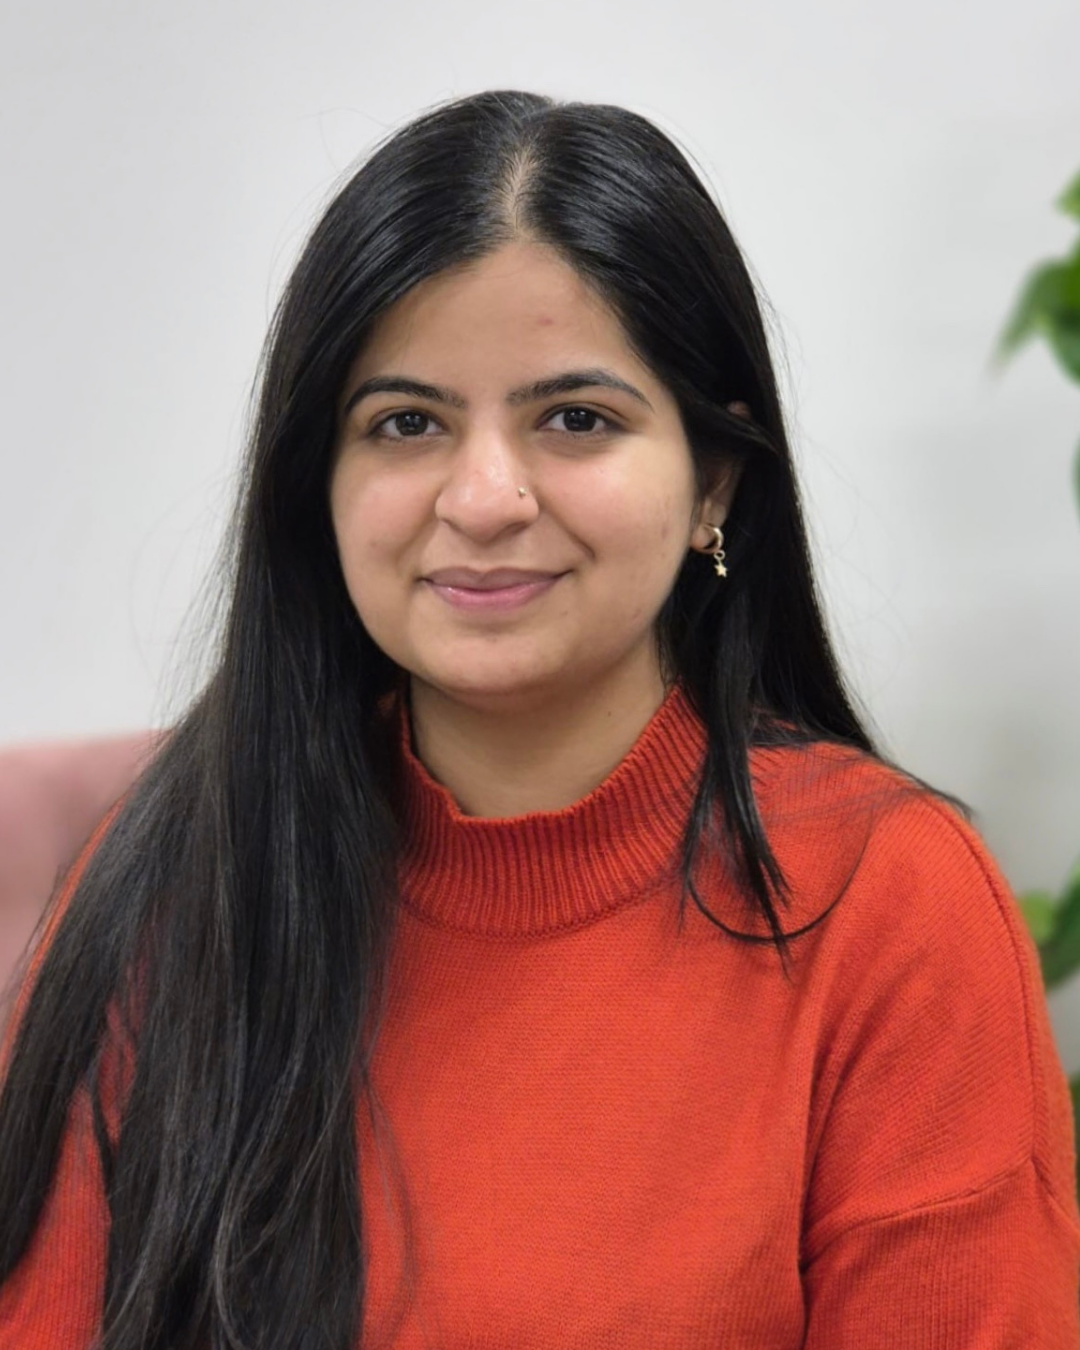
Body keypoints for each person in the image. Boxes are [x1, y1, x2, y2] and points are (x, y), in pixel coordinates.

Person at [0, 89, 1076, 1350]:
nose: (484, 498)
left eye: (577, 419)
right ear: (319, 486)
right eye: (407, 423)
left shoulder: (890, 901)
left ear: (713, 478)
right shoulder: (173, 882)